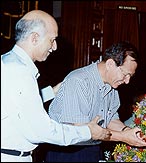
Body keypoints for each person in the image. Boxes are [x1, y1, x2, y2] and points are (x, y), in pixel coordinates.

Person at [1, 10, 111, 162]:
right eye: (52, 40)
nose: (55, 47)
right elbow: (42, 131)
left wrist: (51, 92)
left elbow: (16, 104)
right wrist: (88, 132)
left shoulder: (8, 62)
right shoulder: (20, 72)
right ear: (34, 38)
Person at [45, 41, 146, 162]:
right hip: (67, 152)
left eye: (130, 77)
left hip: (93, 149)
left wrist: (128, 131)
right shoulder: (79, 81)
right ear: (110, 64)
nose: (127, 81)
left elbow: (111, 119)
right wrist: (123, 137)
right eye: (125, 74)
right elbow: (80, 129)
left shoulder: (112, 87)